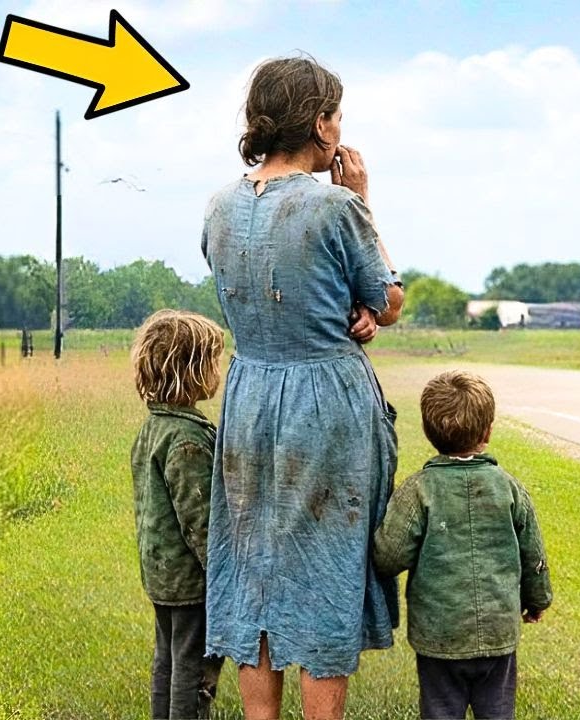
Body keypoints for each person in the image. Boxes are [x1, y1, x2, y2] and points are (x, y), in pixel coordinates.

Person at [201, 55, 406, 720]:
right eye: (337, 115)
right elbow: (387, 297)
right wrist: (367, 202)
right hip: (324, 400)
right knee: (324, 564)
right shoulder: (338, 206)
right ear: (319, 124)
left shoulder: (220, 206)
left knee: (254, 562)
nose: (341, 129)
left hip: (249, 394)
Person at [374, 371, 553, 720]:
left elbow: (389, 556)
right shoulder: (510, 490)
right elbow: (533, 554)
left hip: (439, 636)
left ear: (429, 432)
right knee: (498, 712)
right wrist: (538, 599)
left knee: (440, 711)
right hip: (498, 632)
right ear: (487, 432)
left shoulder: (419, 491)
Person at [129, 309, 227, 720]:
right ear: (191, 371)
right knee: (192, 668)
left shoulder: (154, 428)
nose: (218, 370)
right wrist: (223, 576)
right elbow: (200, 521)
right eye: (213, 361)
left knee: (168, 658)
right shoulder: (188, 441)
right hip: (190, 581)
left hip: (161, 574)